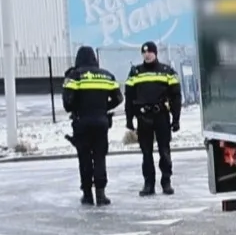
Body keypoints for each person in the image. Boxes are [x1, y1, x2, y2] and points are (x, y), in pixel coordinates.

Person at [62, 45, 122, 206]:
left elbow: (67, 103)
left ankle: (87, 195)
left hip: (82, 123)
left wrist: (79, 108)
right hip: (101, 123)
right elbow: (118, 98)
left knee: (85, 158)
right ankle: (101, 195)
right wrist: (103, 108)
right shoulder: (107, 76)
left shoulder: (74, 76)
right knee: (100, 157)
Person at [125, 40, 183, 196]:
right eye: (144, 52)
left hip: (161, 117)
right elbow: (129, 97)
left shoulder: (167, 71)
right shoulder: (135, 73)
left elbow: (176, 96)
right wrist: (129, 120)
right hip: (143, 118)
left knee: (164, 151)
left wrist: (176, 119)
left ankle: (166, 182)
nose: (147, 55)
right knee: (146, 153)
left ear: (155, 53)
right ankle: (148, 184)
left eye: (149, 51)